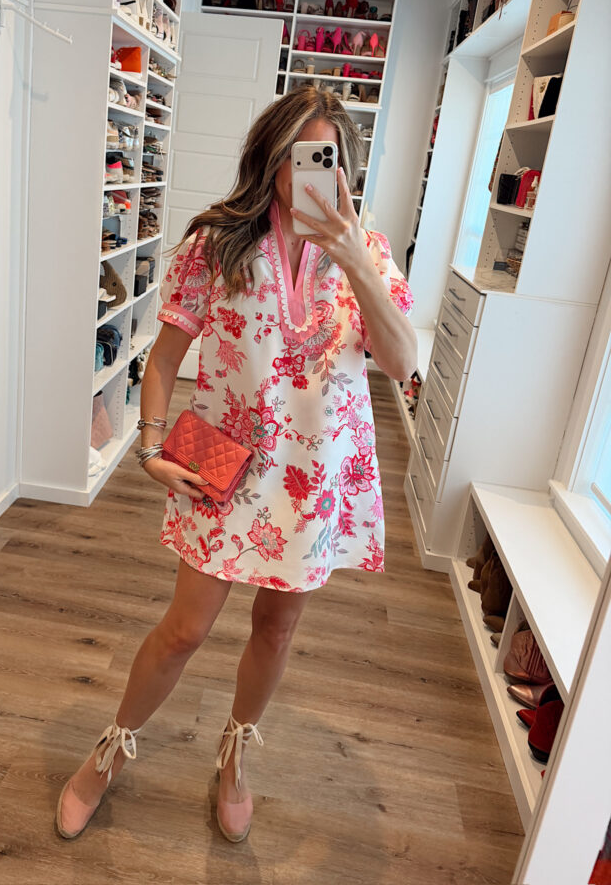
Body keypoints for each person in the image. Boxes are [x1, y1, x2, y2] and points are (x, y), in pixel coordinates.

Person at [55, 85, 417, 843]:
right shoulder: (217, 244)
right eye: (299, 155)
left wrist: (354, 259)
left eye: (327, 157)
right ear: (270, 156)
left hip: (314, 481)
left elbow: (400, 362)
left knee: (276, 631)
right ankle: (109, 751)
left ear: (345, 167)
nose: (313, 170)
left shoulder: (371, 253)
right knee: (185, 630)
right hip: (226, 468)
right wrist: (149, 448)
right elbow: (163, 360)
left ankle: (234, 757)